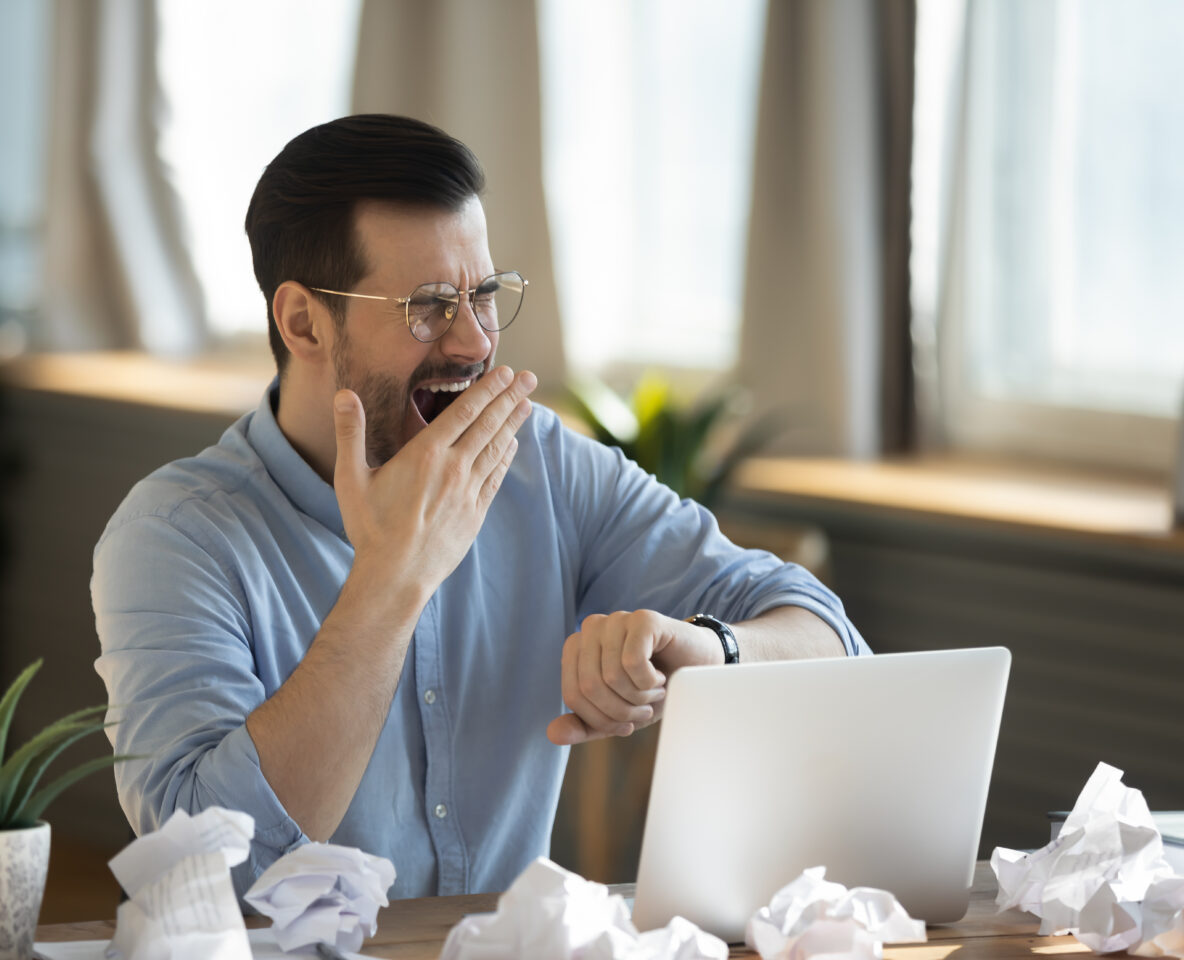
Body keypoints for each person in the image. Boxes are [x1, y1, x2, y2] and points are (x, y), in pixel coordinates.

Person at [92, 114, 869, 899]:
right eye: (428, 305)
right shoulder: (174, 537)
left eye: (485, 295)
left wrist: (701, 651)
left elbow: (830, 639)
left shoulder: (543, 468)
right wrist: (392, 580)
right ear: (303, 322)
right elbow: (201, 866)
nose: (472, 343)